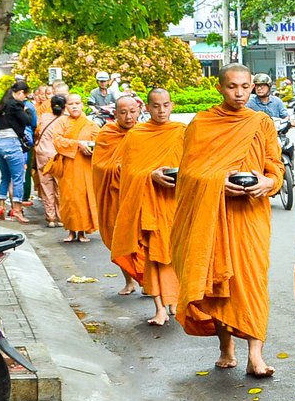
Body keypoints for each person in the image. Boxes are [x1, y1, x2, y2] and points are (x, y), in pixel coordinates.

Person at [170, 64, 283, 378]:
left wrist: (268, 183)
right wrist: (218, 181)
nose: (240, 93)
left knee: (253, 282)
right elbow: (189, 174)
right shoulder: (202, 123)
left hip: (250, 216)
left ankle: (256, 355)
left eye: (245, 87)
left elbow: (275, 167)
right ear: (220, 87)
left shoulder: (261, 122)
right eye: (233, 87)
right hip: (215, 214)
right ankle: (225, 347)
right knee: (220, 281)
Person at [111, 88, 185, 326]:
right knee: (154, 256)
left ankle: (174, 300)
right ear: (148, 108)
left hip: (175, 202)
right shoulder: (137, 135)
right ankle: (159, 307)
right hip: (150, 204)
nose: (161, 110)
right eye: (156, 106)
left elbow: (194, 165)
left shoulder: (181, 132)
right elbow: (129, 172)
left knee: (175, 254)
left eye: (165, 105)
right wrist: (150, 175)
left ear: (172, 105)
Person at [92, 95, 142, 294]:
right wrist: (120, 168)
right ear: (115, 114)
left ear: (139, 112)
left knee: (143, 239)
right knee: (119, 238)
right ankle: (129, 281)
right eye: (123, 113)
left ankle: (148, 281)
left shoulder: (145, 133)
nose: (128, 117)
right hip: (115, 194)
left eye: (132, 112)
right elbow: (99, 165)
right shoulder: (107, 134)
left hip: (139, 194)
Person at [46, 93, 99, 242]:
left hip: (84, 166)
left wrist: (89, 148)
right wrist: (77, 144)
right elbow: (57, 141)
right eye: (71, 104)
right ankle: (70, 231)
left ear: (82, 105)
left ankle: (82, 232)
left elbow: (99, 142)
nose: (74, 106)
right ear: (66, 107)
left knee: (83, 198)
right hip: (68, 165)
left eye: (77, 103)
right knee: (68, 199)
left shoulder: (90, 125)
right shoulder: (61, 123)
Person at [0, 81, 32, 223]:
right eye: (25, 96)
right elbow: (27, 121)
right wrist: (27, 110)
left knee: (5, 177)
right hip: (12, 144)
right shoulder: (15, 105)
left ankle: (1, 207)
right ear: (20, 93)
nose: (24, 99)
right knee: (18, 178)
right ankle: (17, 210)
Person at [33, 93, 66, 227]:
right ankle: (61, 217)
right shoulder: (65, 119)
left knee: (46, 186)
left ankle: (50, 218)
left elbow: (37, 132)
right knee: (59, 186)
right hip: (57, 155)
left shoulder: (44, 117)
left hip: (42, 154)